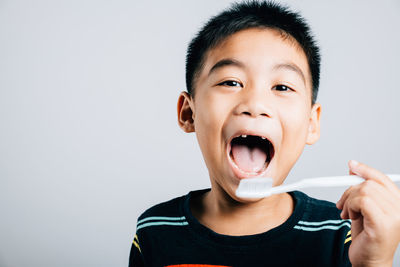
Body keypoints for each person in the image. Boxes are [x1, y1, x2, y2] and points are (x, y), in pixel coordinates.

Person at [129, 1, 400, 266]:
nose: (256, 104)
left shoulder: (343, 233)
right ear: (189, 113)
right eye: (231, 82)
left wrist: (375, 261)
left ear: (310, 123)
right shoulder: (155, 231)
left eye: (282, 87)